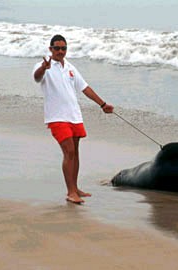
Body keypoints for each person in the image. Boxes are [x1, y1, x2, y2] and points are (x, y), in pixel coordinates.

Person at [33, 34, 114, 204]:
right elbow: (36, 77)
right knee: (68, 151)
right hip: (57, 117)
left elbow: (85, 88)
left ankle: (75, 188)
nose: (60, 51)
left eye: (63, 48)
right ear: (50, 49)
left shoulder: (70, 67)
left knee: (75, 153)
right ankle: (70, 192)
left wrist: (103, 104)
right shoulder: (44, 67)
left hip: (74, 116)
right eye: (57, 48)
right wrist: (43, 67)